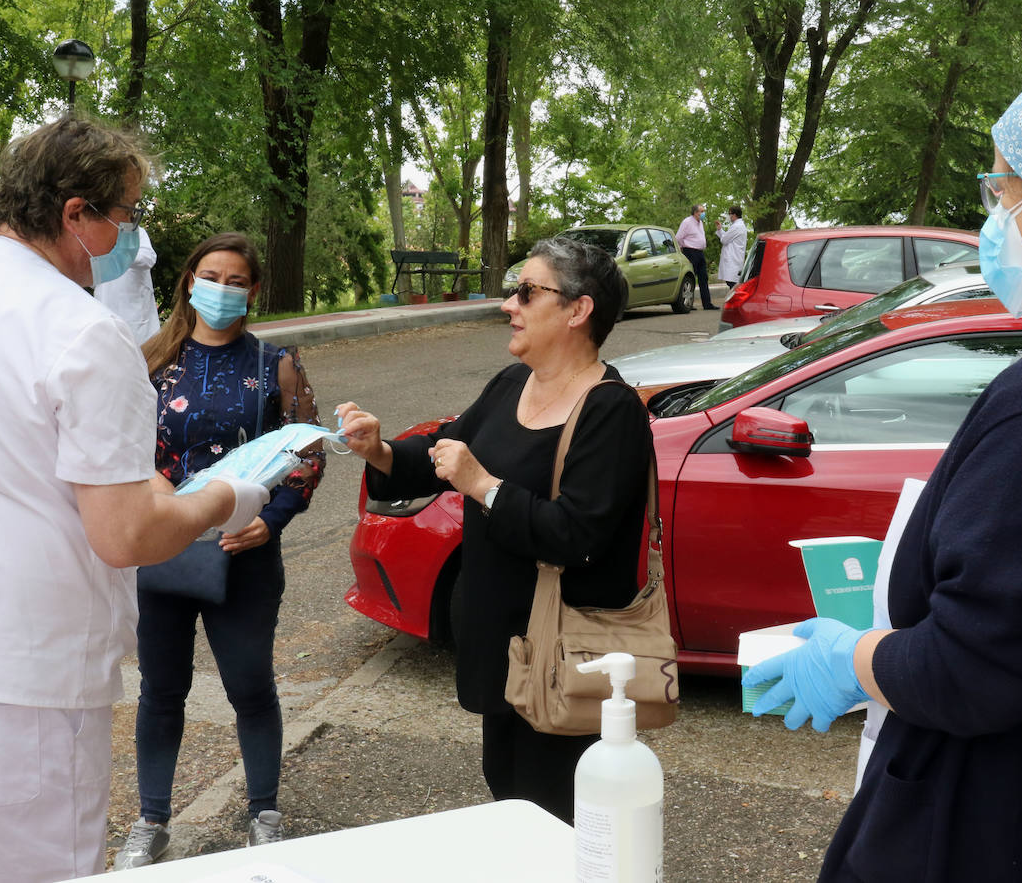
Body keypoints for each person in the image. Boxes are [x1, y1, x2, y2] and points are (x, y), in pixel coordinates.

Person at [742, 45, 1022, 880]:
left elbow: (982, 669)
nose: (993, 217)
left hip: (1018, 830)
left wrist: (852, 658)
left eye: (1001, 191)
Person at [0, 116, 270, 881]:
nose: (131, 240)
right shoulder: (81, 332)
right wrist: (227, 497)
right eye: (127, 216)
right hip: (19, 667)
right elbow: (126, 534)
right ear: (77, 214)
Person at [336, 237, 653, 823]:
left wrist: (485, 486)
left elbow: (577, 536)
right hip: (503, 646)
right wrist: (380, 449)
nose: (510, 303)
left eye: (528, 292)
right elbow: (445, 450)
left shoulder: (612, 411)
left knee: (556, 808)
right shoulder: (513, 383)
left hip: (563, 657)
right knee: (508, 788)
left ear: (577, 310)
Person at [115, 233, 325, 868]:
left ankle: (264, 813)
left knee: (251, 686)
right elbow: (121, 447)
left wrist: (273, 520)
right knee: (160, 689)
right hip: (164, 550)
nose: (223, 290)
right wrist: (153, 490)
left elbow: (306, 454)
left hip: (246, 554)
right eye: (213, 276)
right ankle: (151, 819)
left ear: (253, 291)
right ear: (188, 281)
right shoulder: (150, 361)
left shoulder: (277, 365)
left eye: (237, 281)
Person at [96, 225, 162, 344]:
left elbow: (148, 258)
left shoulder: (134, 232)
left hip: (137, 321)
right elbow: (93, 278)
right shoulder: (98, 234)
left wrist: (120, 255)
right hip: (106, 316)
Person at [675, 203, 717, 309]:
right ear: (695, 213)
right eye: (701, 211)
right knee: (690, 278)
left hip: (700, 253)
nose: (703, 213)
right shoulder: (687, 222)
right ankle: (688, 303)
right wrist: (681, 248)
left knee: (703, 278)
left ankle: (707, 303)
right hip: (690, 252)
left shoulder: (700, 222)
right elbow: (678, 237)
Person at [715, 205, 746, 296]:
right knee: (731, 283)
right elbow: (727, 237)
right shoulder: (737, 226)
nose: (729, 216)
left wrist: (721, 231)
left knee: (733, 284)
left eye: (730, 214)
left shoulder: (737, 226)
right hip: (734, 259)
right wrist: (720, 230)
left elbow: (724, 240)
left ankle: (736, 304)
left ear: (734, 215)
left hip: (733, 260)